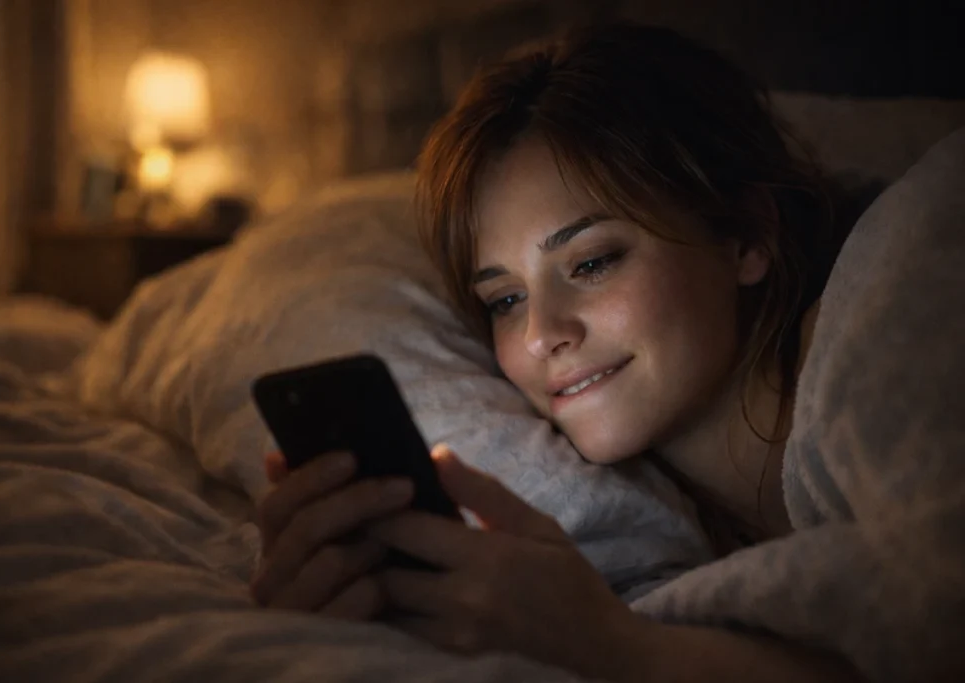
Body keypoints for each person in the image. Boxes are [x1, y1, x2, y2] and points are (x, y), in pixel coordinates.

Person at [250, 22, 964, 683]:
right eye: (504, 299)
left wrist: (610, 645)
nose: (541, 334)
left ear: (748, 235)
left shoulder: (906, 297)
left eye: (591, 262)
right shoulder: (665, 538)